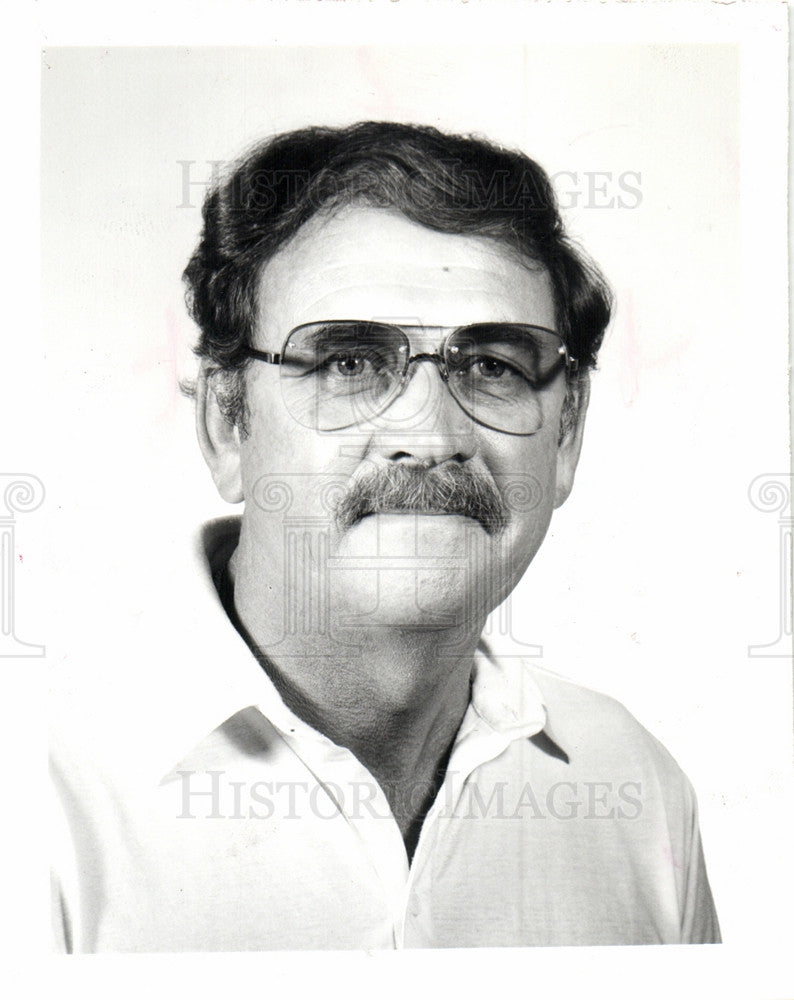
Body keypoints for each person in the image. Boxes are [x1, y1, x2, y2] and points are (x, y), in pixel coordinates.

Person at [50, 121, 720, 951]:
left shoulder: (638, 792)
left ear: (567, 434)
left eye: (494, 366)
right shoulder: (40, 800)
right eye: (350, 363)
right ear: (227, 423)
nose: (429, 433)